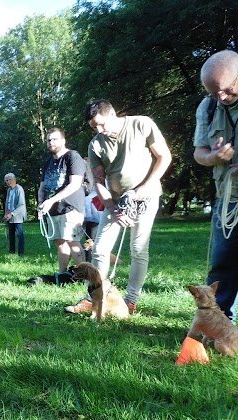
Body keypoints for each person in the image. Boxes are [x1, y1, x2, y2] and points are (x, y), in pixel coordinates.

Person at [66, 100, 171, 316]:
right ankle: (93, 297)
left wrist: (141, 190)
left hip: (146, 198)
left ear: (113, 114)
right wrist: (113, 209)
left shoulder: (141, 124)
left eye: (102, 124)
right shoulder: (95, 144)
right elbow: (98, 182)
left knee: (138, 249)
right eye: (94, 127)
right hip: (115, 202)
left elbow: (164, 157)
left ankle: (130, 300)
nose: (99, 130)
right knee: (100, 249)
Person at [194, 50, 238, 318]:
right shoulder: (208, 107)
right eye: (213, 93)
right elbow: (199, 154)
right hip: (227, 200)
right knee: (221, 266)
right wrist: (213, 156)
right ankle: (218, 322)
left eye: (225, 90)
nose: (220, 97)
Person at [37, 128, 86, 274]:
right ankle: (62, 275)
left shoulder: (72, 157)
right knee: (60, 242)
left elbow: (75, 184)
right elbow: (42, 187)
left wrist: (51, 200)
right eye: (48, 140)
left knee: (72, 241)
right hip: (52, 210)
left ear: (63, 140)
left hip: (70, 208)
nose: (51, 142)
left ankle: (88, 277)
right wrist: (41, 204)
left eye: (54, 139)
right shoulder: (48, 163)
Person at [3, 173, 26, 256]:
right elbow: (8, 203)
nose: (8, 182)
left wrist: (12, 214)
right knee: (11, 235)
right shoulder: (9, 190)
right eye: (6, 180)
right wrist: (6, 213)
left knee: (19, 235)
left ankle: (21, 253)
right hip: (9, 216)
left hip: (18, 216)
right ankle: (12, 252)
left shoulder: (19, 189)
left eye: (10, 179)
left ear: (14, 179)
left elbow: (22, 205)